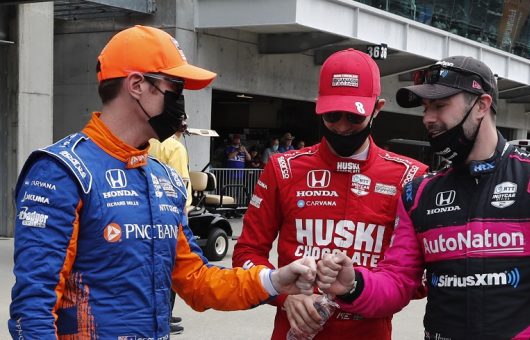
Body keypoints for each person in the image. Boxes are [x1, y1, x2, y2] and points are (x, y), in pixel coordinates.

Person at [8, 25, 317, 339]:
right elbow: (33, 310)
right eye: (175, 88)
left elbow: (197, 281)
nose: (181, 103)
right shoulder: (62, 171)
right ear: (137, 85)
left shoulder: (163, 178)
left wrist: (274, 280)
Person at [316, 56, 530, 339]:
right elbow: (397, 281)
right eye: (425, 108)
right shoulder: (419, 193)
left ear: (482, 104)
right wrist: (353, 283)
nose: (428, 119)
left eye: (440, 106)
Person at [232, 48, 428, 340]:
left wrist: (357, 288)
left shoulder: (410, 177)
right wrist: (284, 295)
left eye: (354, 116)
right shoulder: (283, 168)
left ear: (377, 108)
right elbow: (246, 254)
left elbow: (416, 280)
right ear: (318, 107)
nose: (342, 127)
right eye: (332, 115)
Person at [148, 121, 191, 335]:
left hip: (153, 208)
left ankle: (163, 313)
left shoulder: (152, 142)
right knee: (171, 266)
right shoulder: (176, 147)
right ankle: (165, 317)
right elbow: (179, 183)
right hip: (174, 211)